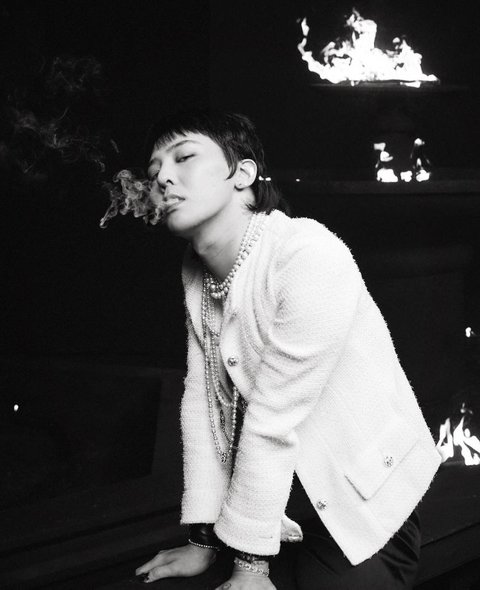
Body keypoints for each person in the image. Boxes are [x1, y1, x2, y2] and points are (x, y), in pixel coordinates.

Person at [133, 110, 441, 589]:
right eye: (154, 170)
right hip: (279, 506)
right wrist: (203, 540)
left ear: (243, 174)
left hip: (364, 506)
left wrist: (249, 568)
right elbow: (203, 405)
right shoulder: (198, 272)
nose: (162, 178)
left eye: (184, 157)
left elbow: (271, 419)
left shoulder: (307, 254)